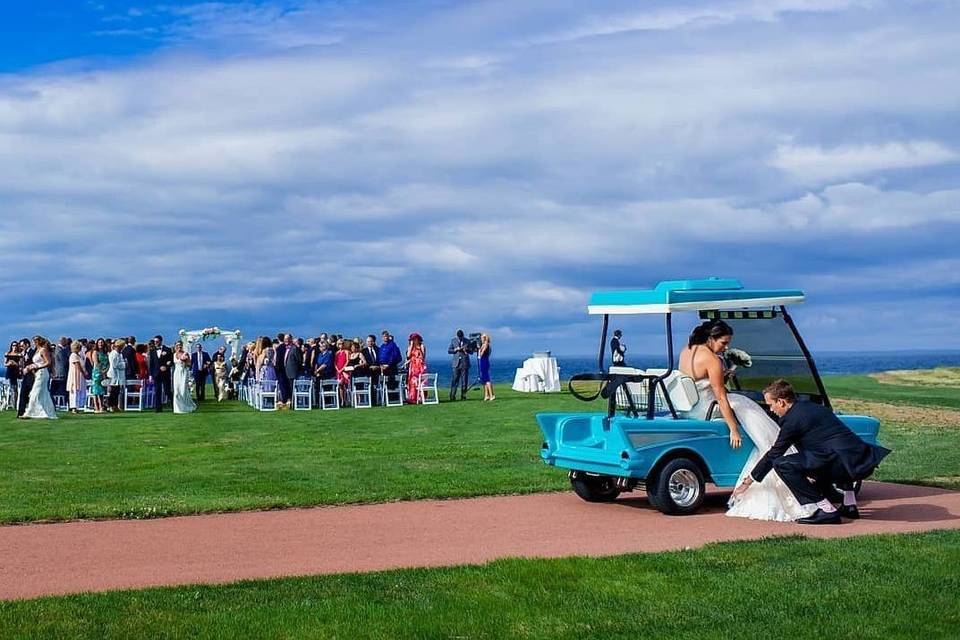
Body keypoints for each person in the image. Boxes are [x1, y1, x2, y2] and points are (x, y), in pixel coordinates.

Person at [678, 319, 816, 522]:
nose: (725, 347)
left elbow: (701, 381)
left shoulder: (687, 350)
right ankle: (775, 456)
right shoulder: (712, 360)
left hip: (691, 408)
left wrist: (724, 375)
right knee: (749, 408)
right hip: (708, 407)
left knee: (745, 406)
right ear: (711, 338)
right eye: (723, 343)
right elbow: (721, 396)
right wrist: (733, 428)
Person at [732, 379, 891, 525]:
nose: (771, 410)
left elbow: (774, 454)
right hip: (859, 459)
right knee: (827, 456)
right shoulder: (814, 408)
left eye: (770, 405)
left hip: (842, 464)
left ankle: (827, 510)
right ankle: (849, 505)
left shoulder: (792, 420)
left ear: (781, 402)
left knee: (783, 464)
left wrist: (748, 482)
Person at [21, 336, 57, 420]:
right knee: (44, 393)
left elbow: (48, 362)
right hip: (37, 374)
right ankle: (47, 411)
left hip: (43, 373)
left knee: (35, 392)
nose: (34, 343)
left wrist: (38, 366)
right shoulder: (36, 351)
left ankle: (29, 412)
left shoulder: (43, 350)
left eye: (35, 341)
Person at [150, 335, 174, 412]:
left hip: (165, 373)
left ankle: (174, 406)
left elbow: (171, 361)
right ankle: (158, 408)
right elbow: (152, 364)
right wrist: (151, 374)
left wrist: (166, 366)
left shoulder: (167, 349)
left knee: (167, 390)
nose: (155, 343)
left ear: (161, 341)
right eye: (154, 342)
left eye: (157, 341)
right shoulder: (152, 351)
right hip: (156, 373)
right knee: (157, 391)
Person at [172, 342, 196, 414]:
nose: (179, 346)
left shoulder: (185, 353)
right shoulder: (174, 354)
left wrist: (185, 361)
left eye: (180, 345)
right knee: (176, 391)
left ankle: (185, 407)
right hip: (177, 373)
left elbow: (189, 364)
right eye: (177, 345)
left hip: (184, 372)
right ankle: (177, 408)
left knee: (183, 390)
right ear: (176, 346)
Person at [447, 329, 471, 401]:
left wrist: (466, 349)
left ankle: (463, 396)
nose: (460, 338)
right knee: (454, 380)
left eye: (461, 337)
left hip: (465, 363)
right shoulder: (453, 340)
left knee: (464, 381)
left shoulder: (467, 341)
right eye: (459, 337)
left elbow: (471, 351)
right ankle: (452, 396)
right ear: (457, 336)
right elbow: (449, 350)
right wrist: (455, 349)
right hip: (456, 364)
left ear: (463, 335)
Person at [16, 337, 36, 417]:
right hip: (25, 376)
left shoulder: (32, 352)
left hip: (32, 375)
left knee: (33, 393)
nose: (21, 347)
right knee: (23, 394)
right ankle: (21, 412)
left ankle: (33, 411)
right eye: (20, 346)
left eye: (22, 345)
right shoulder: (22, 354)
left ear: (27, 345)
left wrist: (29, 368)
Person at [66, 341, 87, 413]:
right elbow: (77, 365)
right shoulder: (73, 355)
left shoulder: (79, 355)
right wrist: (84, 372)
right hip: (75, 374)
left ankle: (78, 406)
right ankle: (73, 407)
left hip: (80, 375)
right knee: (74, 390)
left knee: (80, 390)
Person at [406, 333, 426, 404]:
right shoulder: (410, 347)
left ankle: (421, 397)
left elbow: (423, 357)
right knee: (412, 382)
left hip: (420, 366)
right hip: (413, 367)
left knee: (420, 382)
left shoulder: (422, 346)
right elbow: (408, 356)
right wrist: (411, 346)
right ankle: (412, 398)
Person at [107, 339, 127, 412]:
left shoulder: (119, 354)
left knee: (117, 391)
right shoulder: (113, 354)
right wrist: (124, 364)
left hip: (118, 376)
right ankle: (111, 406)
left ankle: (115, 405)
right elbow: (115, 365)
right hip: (114, 375)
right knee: (113, 392)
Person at [88, 339, 106, 414]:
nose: (100, 344)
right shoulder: (95, 352)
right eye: (99, 342)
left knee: (101, 390)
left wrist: (105, 371)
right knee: (96, 390)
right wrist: (101, 372)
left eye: (102, 342)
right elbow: (96, 362)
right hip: (97, 372)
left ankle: (102, 406)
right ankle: (96, 407)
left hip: (103, 371)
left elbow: (107, 363)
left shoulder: (104, 353)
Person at [51, 337, 70, 403]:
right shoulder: (59, 350)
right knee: (61, 390)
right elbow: (63, 362)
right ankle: (62, 403)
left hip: (58, 373)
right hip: (61, 373)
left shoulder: (59, 350)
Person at [362, 335, 380, 404]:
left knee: (376, 387)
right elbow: (364, 361)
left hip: (377, 371)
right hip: (368, 372)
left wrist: (377, 366)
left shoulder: (378, 350)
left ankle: (377, 400)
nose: (369, 343)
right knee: (370, 387)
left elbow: (380, 360)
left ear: (373, 342)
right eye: (368, 341)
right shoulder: (364, 351)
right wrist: (370, 366)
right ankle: (371, 401)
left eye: (370, 341)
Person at [4, 341, 22, 411]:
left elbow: (20, 365)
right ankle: (12, 403)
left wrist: (15, 363)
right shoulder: (8, 354)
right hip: (10, 371)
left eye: (15, 345)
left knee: (15, 388)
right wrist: (9, 363)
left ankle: (15, 403)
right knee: (11, 388)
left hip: (16, 372)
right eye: (13, 345)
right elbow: (5, 363)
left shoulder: (19, 354)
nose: (14, 347)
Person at [479, 333, 494, 401]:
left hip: (484, 362)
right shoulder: (485, 345)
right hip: (483, 362)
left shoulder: (486, 345)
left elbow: (481, 354)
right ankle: (486, 395)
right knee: (484, 379)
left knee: (487, 379)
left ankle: (491, 395)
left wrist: (479, 350)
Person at [335, 339, 351, 406]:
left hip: (344, 370)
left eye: (341, 343)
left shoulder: (346, 352)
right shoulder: (337, 353)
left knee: (346, 386)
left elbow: (347, 361)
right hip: (338, 370)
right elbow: (335, 362)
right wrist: (337, 369)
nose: (340, 345)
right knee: (340, 386)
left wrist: (342, 369)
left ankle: (347, 400)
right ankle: (342, 400)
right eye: (339, 344)